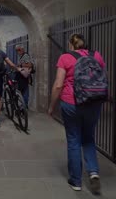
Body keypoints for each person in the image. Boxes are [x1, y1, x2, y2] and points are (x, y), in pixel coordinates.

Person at [48, 33, 106, 194]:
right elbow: (101, 78)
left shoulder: (65, 58)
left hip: (71, 103)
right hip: (93, 103)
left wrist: (52, 106)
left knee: (74, 140)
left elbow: (58, 85)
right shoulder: (96, 55)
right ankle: (93, 172)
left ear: (71, 45)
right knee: (88, 138)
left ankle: (76, 181)